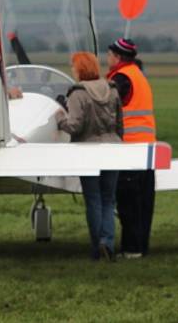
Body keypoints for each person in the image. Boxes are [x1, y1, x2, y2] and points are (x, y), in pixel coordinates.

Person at [56, 52, 123, 261]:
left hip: (88, 151)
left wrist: (60, 120)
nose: (72, 70)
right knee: (108, 200)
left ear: (80, 69)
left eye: (73, 66)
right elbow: (120, 124)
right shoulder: (112, 90)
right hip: (112, 148)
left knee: (93, 199)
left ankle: (97, 247)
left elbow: (74, 126)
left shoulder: (78, 94)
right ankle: (108, 242)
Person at [106, 38, 156, 259]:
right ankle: (141, 246)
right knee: (144, 202)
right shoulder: (138, 75)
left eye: (109, 55)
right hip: (146, 147)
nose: (107, 59)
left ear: (117, 57)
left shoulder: (122, 78)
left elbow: (107, 106)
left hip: (129, 147)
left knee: (128, 203)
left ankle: (132, 249)